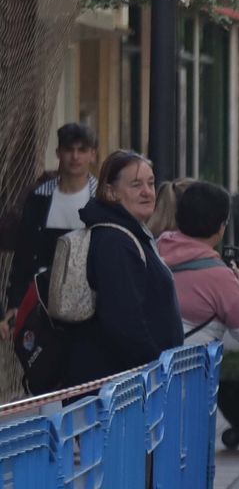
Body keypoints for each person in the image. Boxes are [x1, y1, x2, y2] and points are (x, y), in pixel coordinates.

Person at [62, 151, 183, 388]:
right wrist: (156, 367)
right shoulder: (114, 242)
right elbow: (123, 321)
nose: (147, 192)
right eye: (136, 185)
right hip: (118, 392)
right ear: (110, 192)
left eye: (150, 183)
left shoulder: (131, 234)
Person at [5, 123, 99, 328]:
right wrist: (15, 302)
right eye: (69, 149)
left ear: (92, 155)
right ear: (58, 153)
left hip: (87, 304)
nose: (75, 157)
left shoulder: (100, 199)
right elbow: (24, 253)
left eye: (82, 150)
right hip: (40, 301)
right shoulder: (38, 197)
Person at [155, 180, 239, 348]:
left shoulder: (156, 248)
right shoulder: (219, 276)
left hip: (145, 365)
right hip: (188, 369)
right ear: (221, 227)